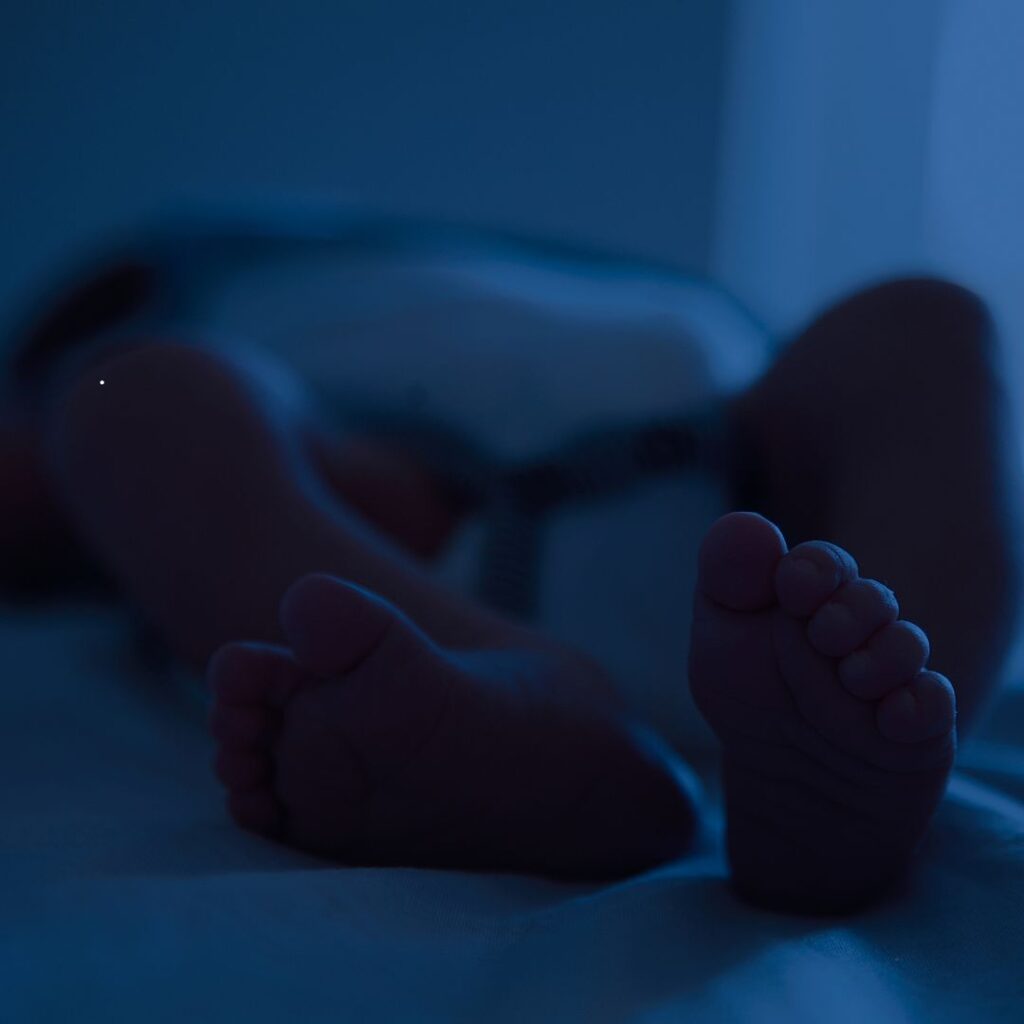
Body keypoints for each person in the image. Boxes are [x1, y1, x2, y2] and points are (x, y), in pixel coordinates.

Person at [3, 263, 1020, 915]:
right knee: (127, 400)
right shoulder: (129, 354)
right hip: (399, 554)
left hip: (752, 502)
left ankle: (861, 745)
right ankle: (541, 720)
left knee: (923, 320)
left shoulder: (219, 262)